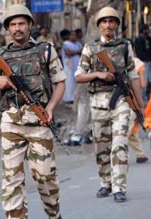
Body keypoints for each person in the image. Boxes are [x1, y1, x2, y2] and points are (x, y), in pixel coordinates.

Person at [0, 4, 65, 219]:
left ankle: (54, 214)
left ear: (30, 25)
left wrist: (50, 108)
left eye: (21, 23)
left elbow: (60, 82)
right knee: (11, 180)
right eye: (13, 24)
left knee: (45, 176)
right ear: (8, 28)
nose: (17, 28)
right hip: (11, 123)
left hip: (40, 122)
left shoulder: (46, 50)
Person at [75, 6, 144, 202]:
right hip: (98, 102)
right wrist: (97, 74)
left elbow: (132, 75)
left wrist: (139, 104)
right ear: (99, 25)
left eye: (112, 21)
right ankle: (105, 183)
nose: (108, 25)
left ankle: (119, 187)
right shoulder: (91, 47)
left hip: (121, 99)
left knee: (120, 143)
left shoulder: (124, 46)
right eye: (104, 21)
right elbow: (79, 76)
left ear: (116, 24)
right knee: (102, 146)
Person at [128, 57, 148, 163]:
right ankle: (140, 154)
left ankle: (140, 154)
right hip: (134, 100)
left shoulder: (114, 61)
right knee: (129, 129)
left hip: (119, 100)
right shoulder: (137, 63)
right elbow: (143, 84)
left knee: (128, 129)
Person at [61, 30, 82, 104]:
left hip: (77, 64)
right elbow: (68, 53)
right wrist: (77, 51)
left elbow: (82, 52)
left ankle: (75, 97)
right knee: (69, 81)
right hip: (69, 65)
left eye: (74, 35)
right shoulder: (66, 43)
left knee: (76, 80)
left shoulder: (78, 43)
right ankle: (68, 98)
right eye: (71, 35)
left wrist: (75, 52)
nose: (73, 37)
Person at [134, 24, 151, 101]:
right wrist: (146, 60)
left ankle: (145, 96)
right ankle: (143, 96)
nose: (148, 31)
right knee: (144, 80)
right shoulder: (139, 39)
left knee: (148, 79)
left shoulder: (148, 39)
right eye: (147, 29)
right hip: (143, 62)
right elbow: (140, 52)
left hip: (147, 61)